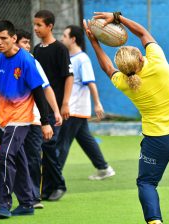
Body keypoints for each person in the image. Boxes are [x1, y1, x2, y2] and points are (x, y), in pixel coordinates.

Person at [83, 12, 169, 224]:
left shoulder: (123, 82)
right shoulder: (157, 62)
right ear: (141, 58)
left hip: (157, 139)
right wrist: (118, 18)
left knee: (147, 183)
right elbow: (142, 33)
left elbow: (106, 67)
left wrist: (95, 42)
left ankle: (155, 221)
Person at [0, 20, 53, 219]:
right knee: (18, 159)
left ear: (13, 38)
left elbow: (39, 92)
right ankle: (27, 203)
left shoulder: (26, 61)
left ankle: (4, 203)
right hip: (3, 120)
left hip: (21, 120)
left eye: (3, 38)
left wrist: (45, 122)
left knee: (4, 157)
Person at [59, 25, 115, 181]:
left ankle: (53, 177)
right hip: (73, 108)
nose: (62, 38)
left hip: (75, 108)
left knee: (62, 142)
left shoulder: (82, 59)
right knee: (85, 139)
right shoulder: (69, 58)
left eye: (64, 35)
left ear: (73, 39)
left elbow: (91, 82)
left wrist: (97, 103)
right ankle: (104, 168)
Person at [16, 29, 62, 208]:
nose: (28, 46)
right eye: (24, 42)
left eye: (29, 43)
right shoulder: (0, 64)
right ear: (14, 42)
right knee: (9, 158)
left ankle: (34, 197)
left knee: (34, 157)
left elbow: (46, 88)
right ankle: (5, 196)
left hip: (33, 118)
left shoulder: (33, 63)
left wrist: (55, 111)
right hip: (10, 121)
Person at [33, 9, 74, 201]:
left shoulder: (60, 49)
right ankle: (47, 188)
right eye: (35, 25)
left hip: (55, 108)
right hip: (40, 108)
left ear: (50, 26)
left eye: (39, 25)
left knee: (49, 146)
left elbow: (68, 77)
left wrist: (64, 104)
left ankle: (59, 185)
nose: (36, 28)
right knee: (44, 148)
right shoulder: (37, 50)